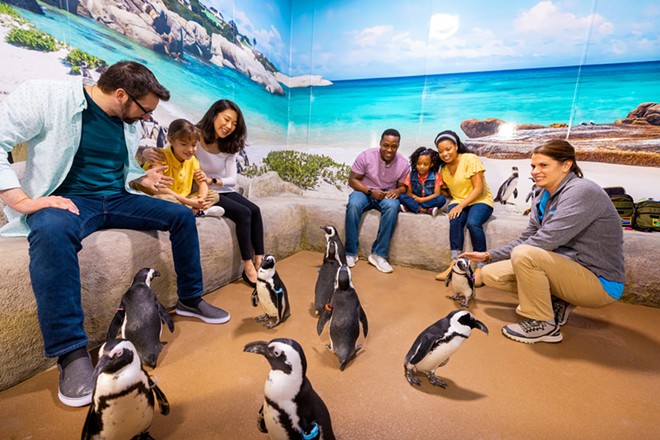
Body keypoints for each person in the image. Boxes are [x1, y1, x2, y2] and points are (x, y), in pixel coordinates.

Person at [0, 61, 230, 408]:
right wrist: (21, 200)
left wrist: (141, 179)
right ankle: (71, 352)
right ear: (121, 94)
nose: (146, 119)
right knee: (49, 231)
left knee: (182, 215)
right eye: (145, 111)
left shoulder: (128, 122)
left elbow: (117, 170)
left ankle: (190, 298)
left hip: (119, 199)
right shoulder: (45, 96)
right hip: (70, 200)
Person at [462, 140, 624, 344]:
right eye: (533, 166)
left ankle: (544, 323)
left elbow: (546, 239)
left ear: (566, 165)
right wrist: (488, 256)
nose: (535, 171)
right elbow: (527, 237)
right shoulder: (541, 194)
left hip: (600, 282)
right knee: (490, 273)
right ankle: (558, 302)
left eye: (543, 165)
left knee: (525, 254)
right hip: (568, 269)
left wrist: (511, 252)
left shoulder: (581, 191)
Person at [143, 99, 264, 287]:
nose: (229, 126)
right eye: (226, 119)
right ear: (214, 115)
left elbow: (232, 178)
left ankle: (259, 261)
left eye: (234, 123)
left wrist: (211, 181)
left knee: (255, 210)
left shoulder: (228, 144)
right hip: (192, 189)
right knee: (244, 213)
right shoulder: (193, 136)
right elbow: (169, 154)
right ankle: (247, 265)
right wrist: (145, 153)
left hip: (216, 188)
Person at [344, 128, 409, 273]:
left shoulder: (403, 163)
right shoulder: (366, 156)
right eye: (386, 145)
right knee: (353, 204)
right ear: (380, 143)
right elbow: (352, 180)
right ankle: (350, 252)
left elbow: (403, 188)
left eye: (394, 146)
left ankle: (379, 255)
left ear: (398, 146)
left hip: (386, 195)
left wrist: (397, 191)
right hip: (365, 191)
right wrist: (370, 191)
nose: (389, 149)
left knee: (393, 207)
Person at [434, 130, 494, 286]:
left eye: (448, 149)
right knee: (455, 221)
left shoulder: (470, 159)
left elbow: (478, 189)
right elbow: (450, 190)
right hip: (459, 200)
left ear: (456, 146)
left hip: (480, 200)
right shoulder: (444, 169)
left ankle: (481, 267)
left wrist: (460, 206)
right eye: (441, 151)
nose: (445, 154)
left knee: (473, 223)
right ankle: (455, 262)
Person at [140, 118, 221, 216]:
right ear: (171, 140)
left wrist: (201, 200)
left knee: (214, 195)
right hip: (157, 196)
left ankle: (191, 210)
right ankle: (196, 211)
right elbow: (159, 189)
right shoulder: (159, 156)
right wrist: (189, 202)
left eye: (194, 145)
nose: (190, 149)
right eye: (184, 144)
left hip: (183, 199)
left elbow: (202, 183)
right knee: (164, 198)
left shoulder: (193, 160)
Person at [399, 147, 447, 217]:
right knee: (402, 196)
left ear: (431, 164)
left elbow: (437, 194)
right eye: (419, 164)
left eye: (425, 164)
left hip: (428, 200)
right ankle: (425, 210)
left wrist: (422, 200)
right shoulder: (411, 175)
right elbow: (409, 192)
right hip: (416, 199)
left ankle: (412, 207)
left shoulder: (436, 176)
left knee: (441, 199)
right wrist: (416, 198)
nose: (421, 167)